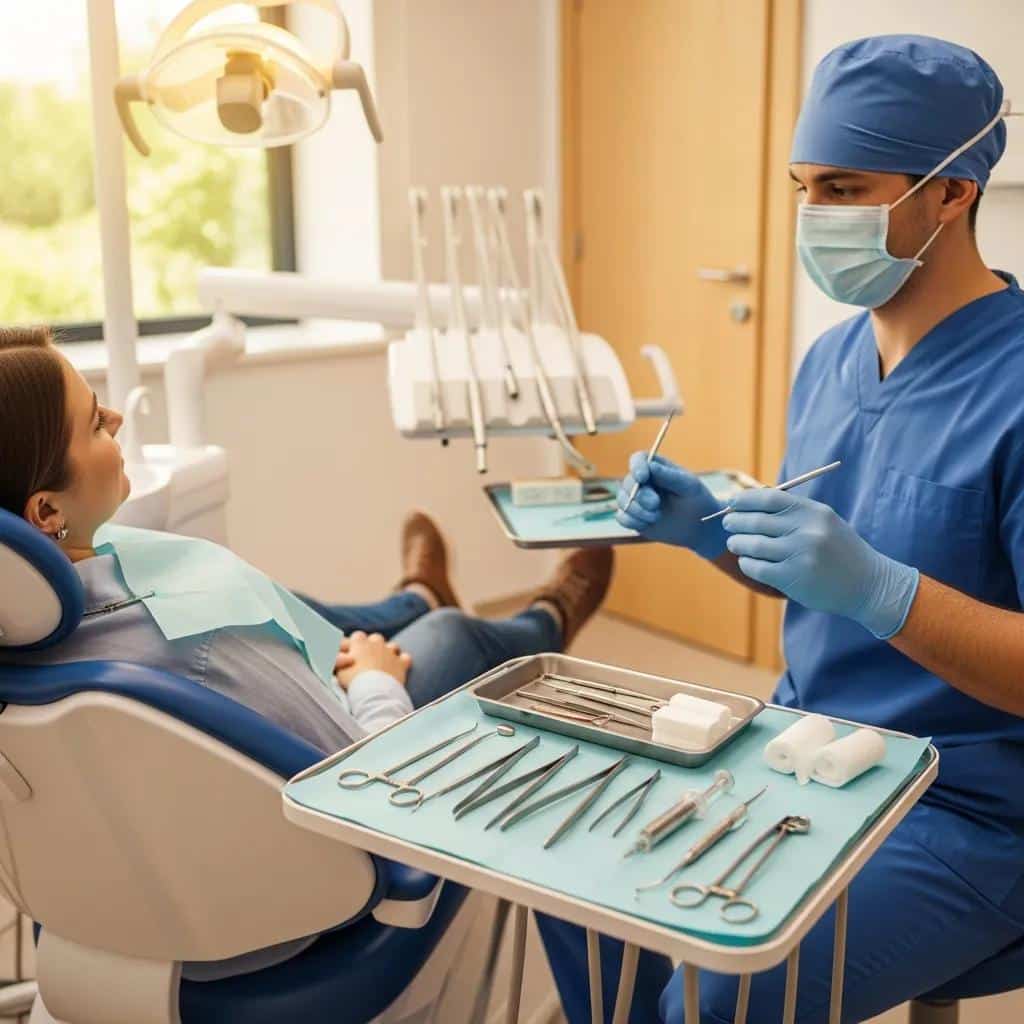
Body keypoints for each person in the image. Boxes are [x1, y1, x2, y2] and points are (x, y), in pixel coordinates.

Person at [543, 34, 1024, 1023]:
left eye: (845, 188)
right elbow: (820, 575)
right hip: (802, 741)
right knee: (571, 892)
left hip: (968, 803)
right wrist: (712, 536)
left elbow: (864, 583)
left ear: (951, 193)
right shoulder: (830, 359)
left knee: (716, 997)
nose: (814, 217)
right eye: (802, 186)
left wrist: (883, 592)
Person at [0, 324, 614, 979]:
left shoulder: (28, 640)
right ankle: (545, 617)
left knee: (294, 606)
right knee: (450, 641)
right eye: (96, 423)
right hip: (285, 927)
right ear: (45, 511)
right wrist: (377, 682)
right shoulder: (199, 641)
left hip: (107, 918)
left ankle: (414, 595)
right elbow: (374, 786)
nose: (117, 419)